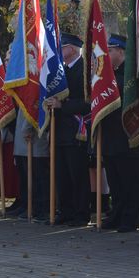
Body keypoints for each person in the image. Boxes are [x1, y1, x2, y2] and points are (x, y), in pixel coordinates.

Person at [45, 33, 92, 226]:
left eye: (62, 48)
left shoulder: (84, 70)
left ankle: (81, 214)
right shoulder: (60, 70)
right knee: (62, 175)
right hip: (59, 131)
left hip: (76, 131)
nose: (59, 52)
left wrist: (62, 106)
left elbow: (88, 103)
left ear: (72, 48)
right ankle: (66, 211)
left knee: (77, 175)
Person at [101, 34, 139, 232]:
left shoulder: (131, 74)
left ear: (121, 51)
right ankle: (116, 214)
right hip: (110, 135)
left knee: (129, 180)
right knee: (115, 180)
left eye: (110, 50)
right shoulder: (112, 73)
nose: (107, 54)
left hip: (127, 134)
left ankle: (131, 217)